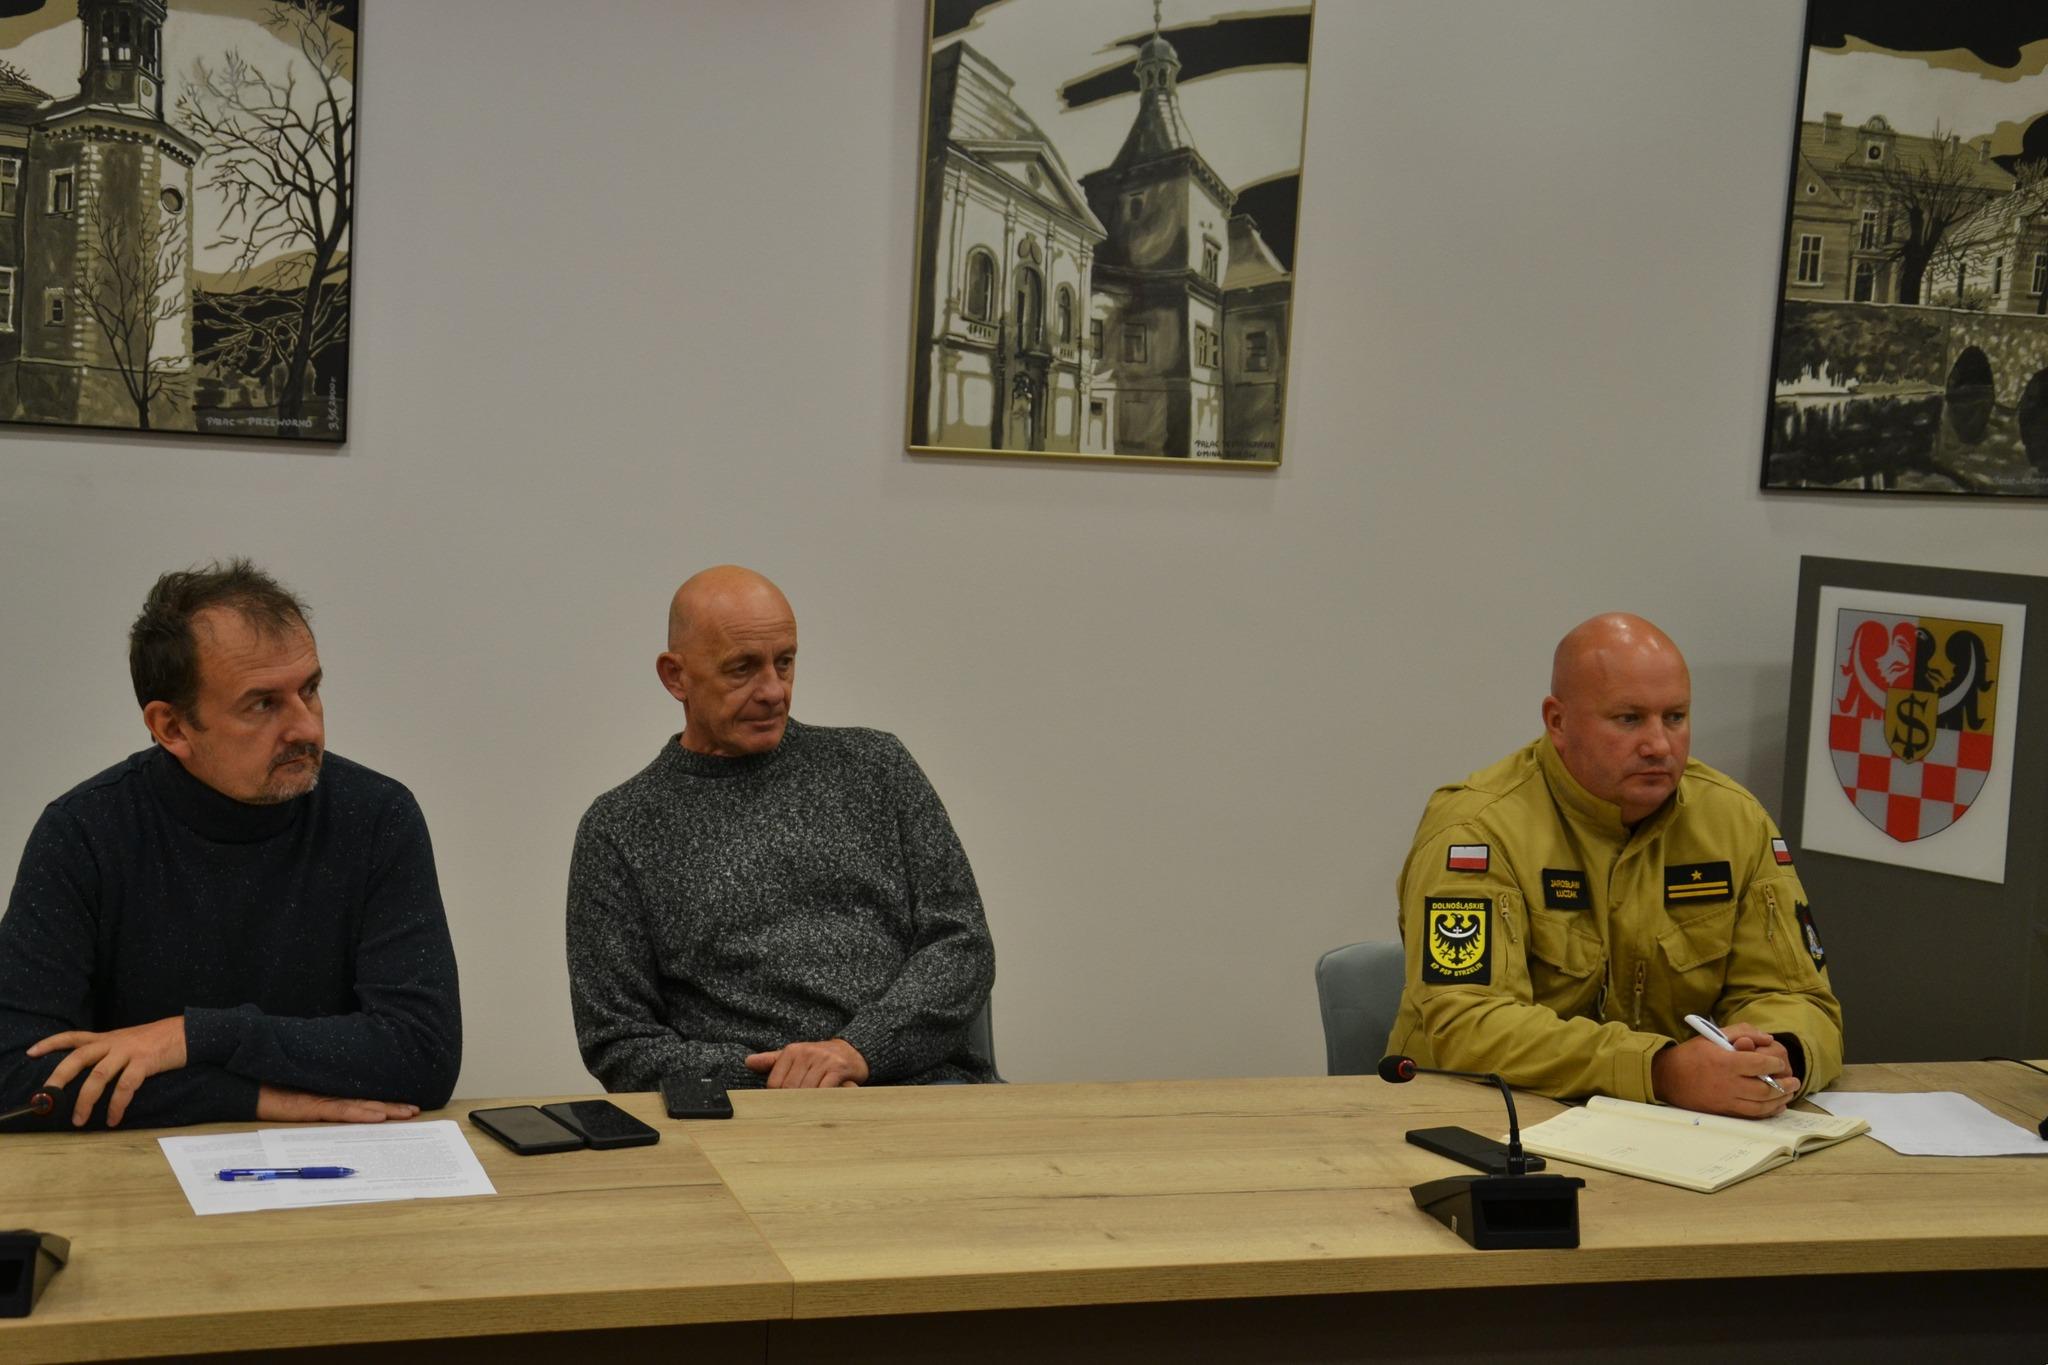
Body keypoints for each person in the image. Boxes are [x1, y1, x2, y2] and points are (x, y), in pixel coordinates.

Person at [0, 560, 462, 1130]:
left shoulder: (376, 816)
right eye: (262, 704)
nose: (307, 728)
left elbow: (423, 1055)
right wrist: (253, 1099)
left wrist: (194, 1036)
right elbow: (15, 1079)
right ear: (171, 727)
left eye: (310, 690)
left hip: (337, 1163)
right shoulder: (84, 833)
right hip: (133, 1170)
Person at [1385, 613, 1842, 1118]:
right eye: (1629, 719)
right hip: (1480, 1118)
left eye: (1675, 717)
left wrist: (1776, 1054)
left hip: (1669, 1124)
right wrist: (1659, 1070)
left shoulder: (1734, 821)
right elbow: (1468, 1025)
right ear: (1557, 722)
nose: (1659, 745)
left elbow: (1799, 996)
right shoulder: (1477, 832)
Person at [568, 566, 994, 1090]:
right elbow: (618, 1040)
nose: (773, 690)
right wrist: (780, 1080)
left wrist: (860, 1051)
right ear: (676, 676)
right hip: (745, 1111)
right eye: (742, 668)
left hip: (919, 1087)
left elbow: (962, 945)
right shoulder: (620, 828)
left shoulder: (876, 767)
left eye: (785, 662)